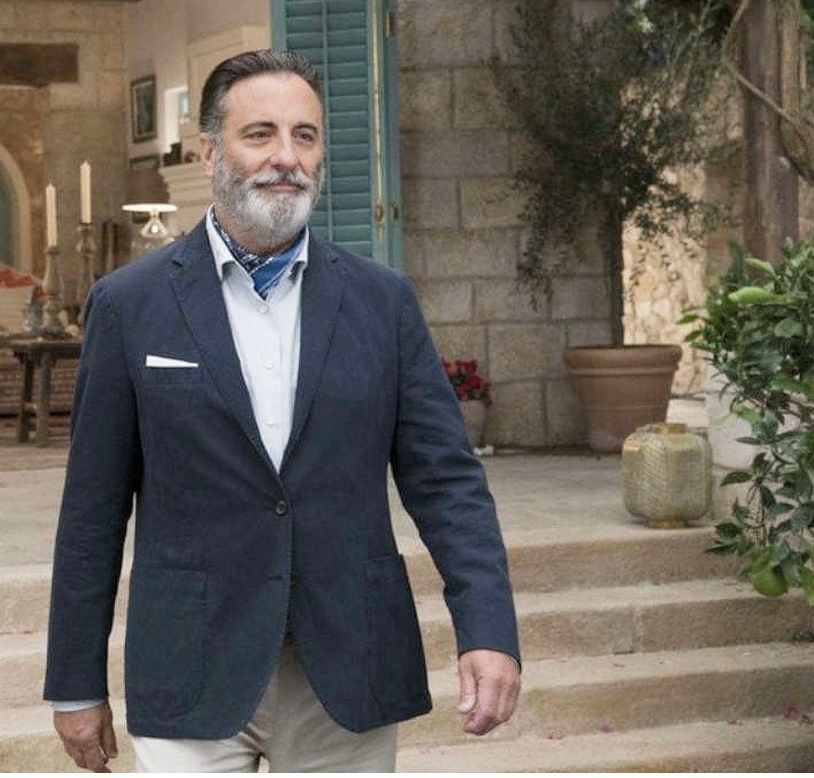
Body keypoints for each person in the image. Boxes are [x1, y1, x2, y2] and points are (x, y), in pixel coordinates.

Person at [44, 49, 521, 773]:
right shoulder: (129, 305)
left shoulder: (383, 302)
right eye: (259, 133)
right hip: (190, 663)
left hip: (348, 664)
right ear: (210, 152)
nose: (286, 158)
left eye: (305, 135)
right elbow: (92, 510)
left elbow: (448, 483)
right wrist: (75, 682)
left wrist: (487, 630)